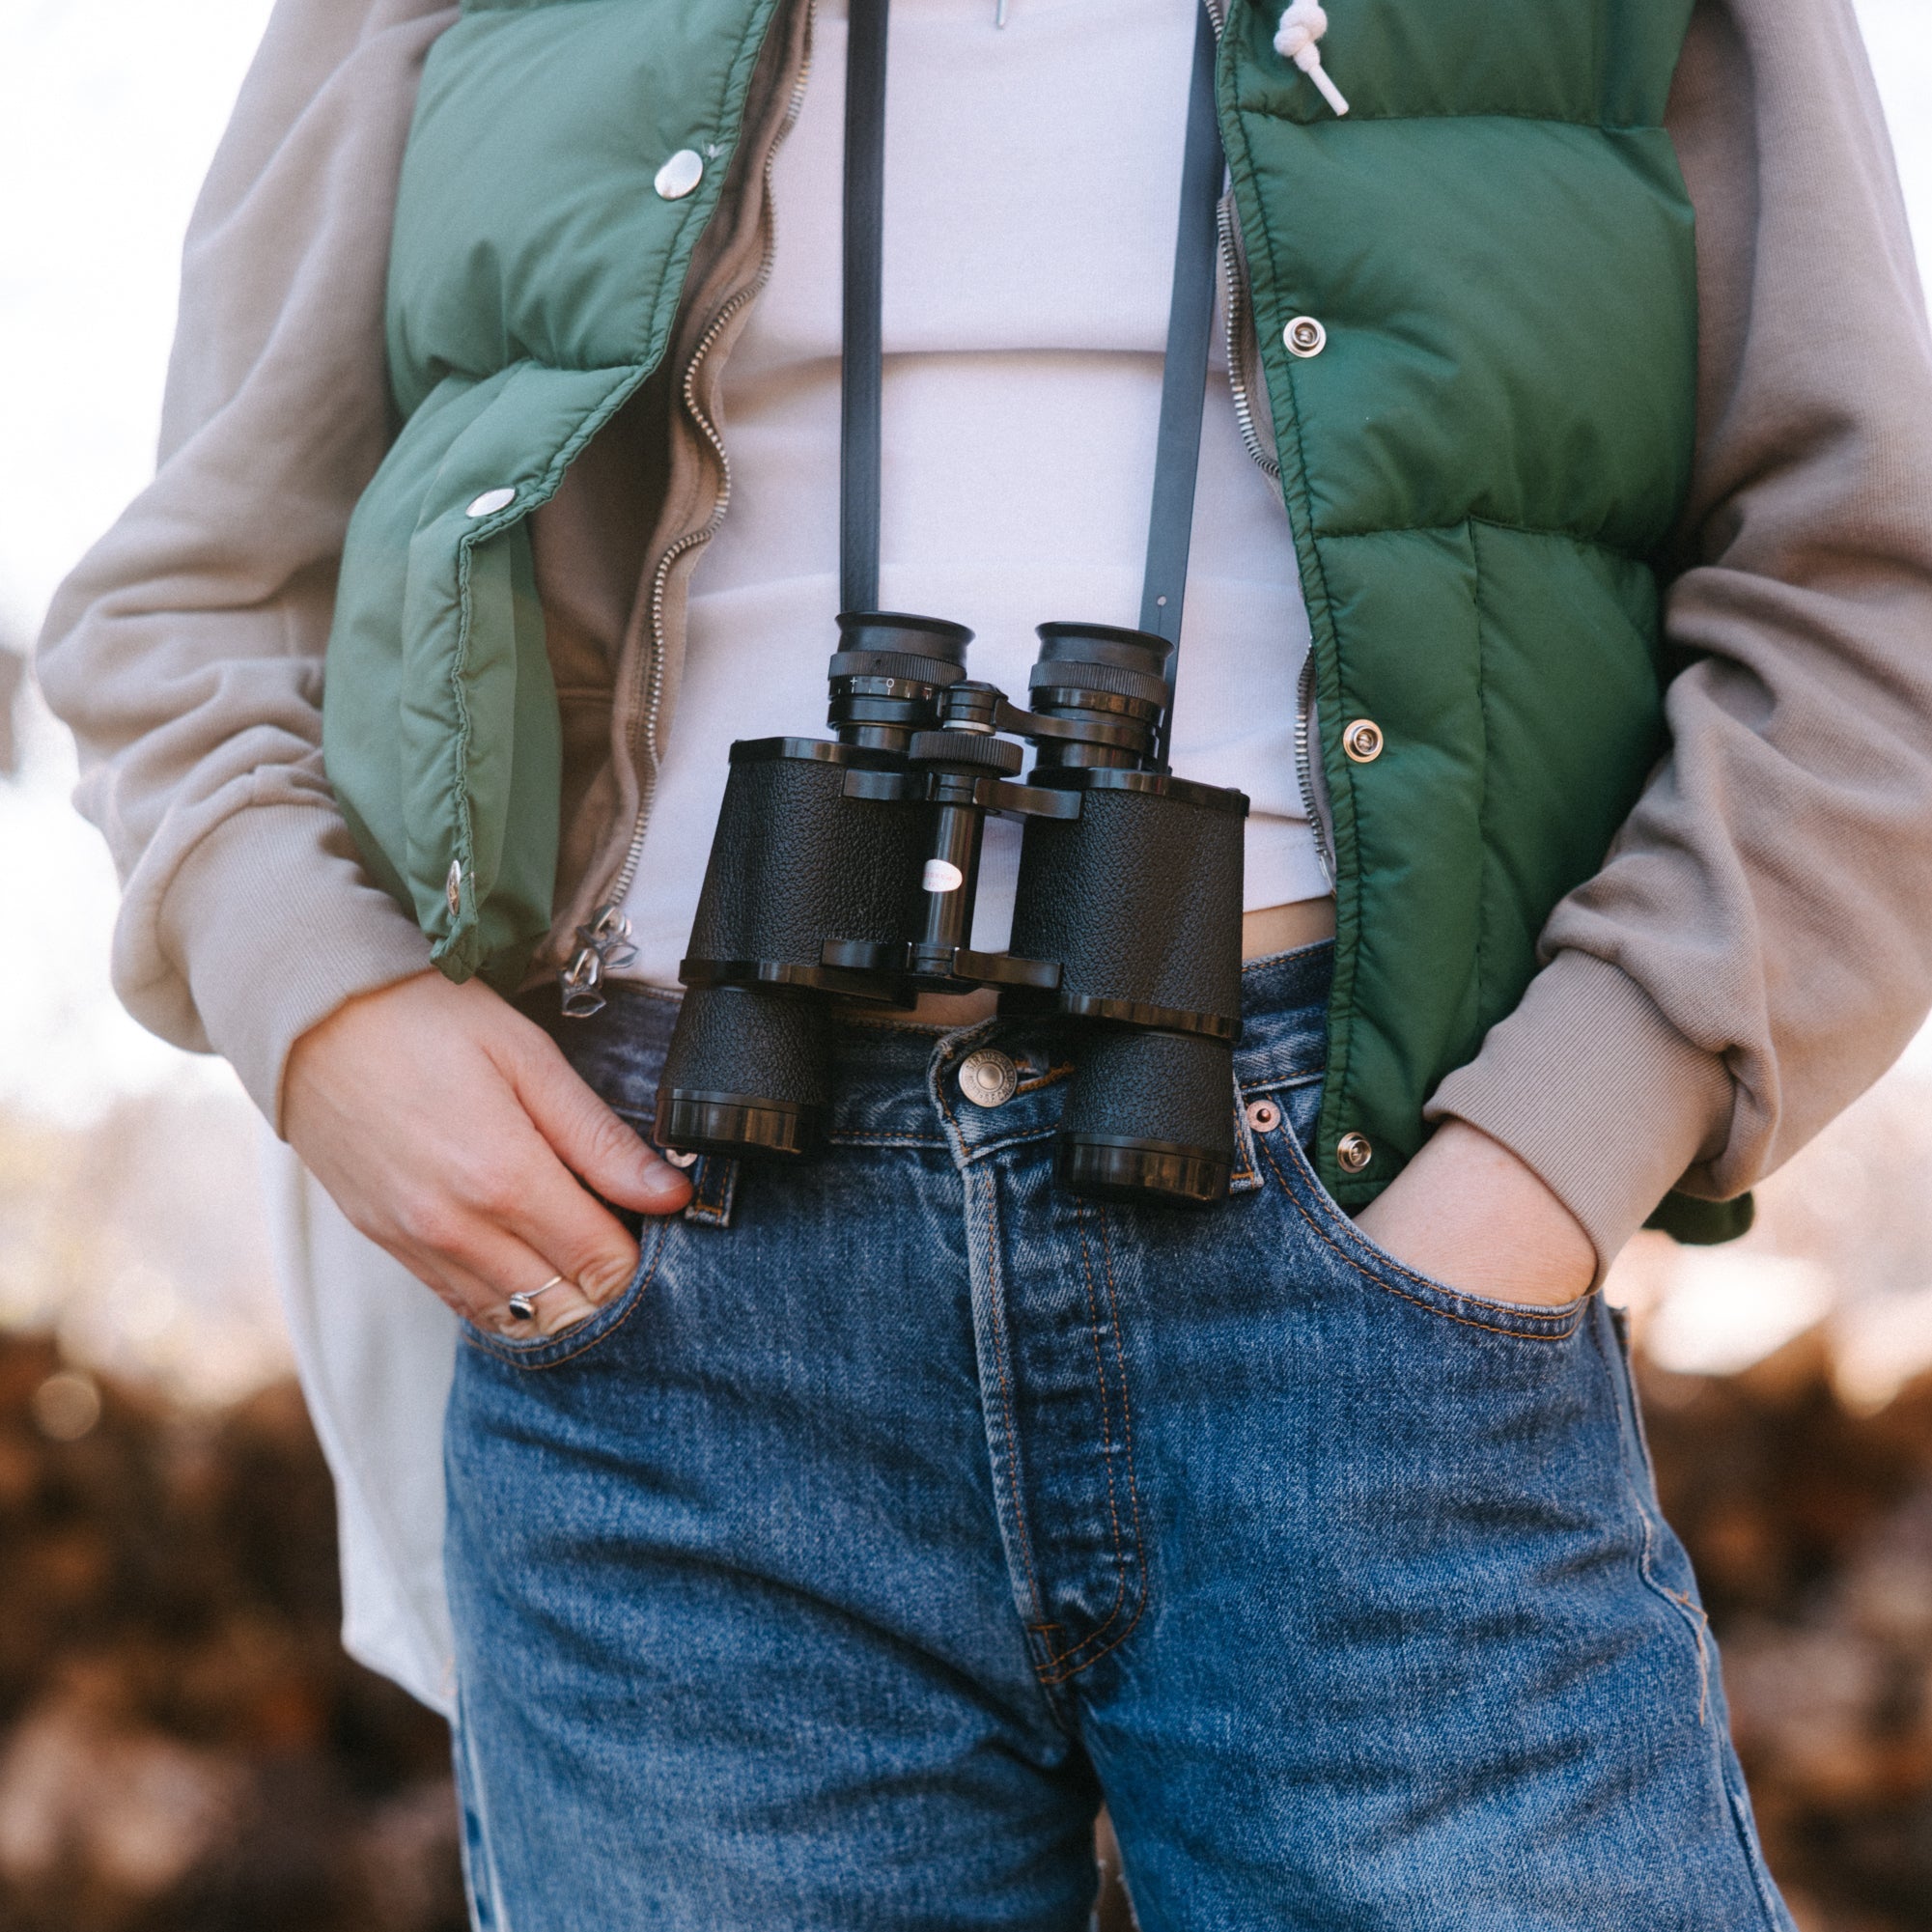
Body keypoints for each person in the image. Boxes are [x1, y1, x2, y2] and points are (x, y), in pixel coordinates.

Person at [39, 0, 1932, 1922]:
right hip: (665, 1242)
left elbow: (1864, 587)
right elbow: (196, 587)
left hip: (1359, 1210)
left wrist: (1543, 1162)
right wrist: (328, 1010)